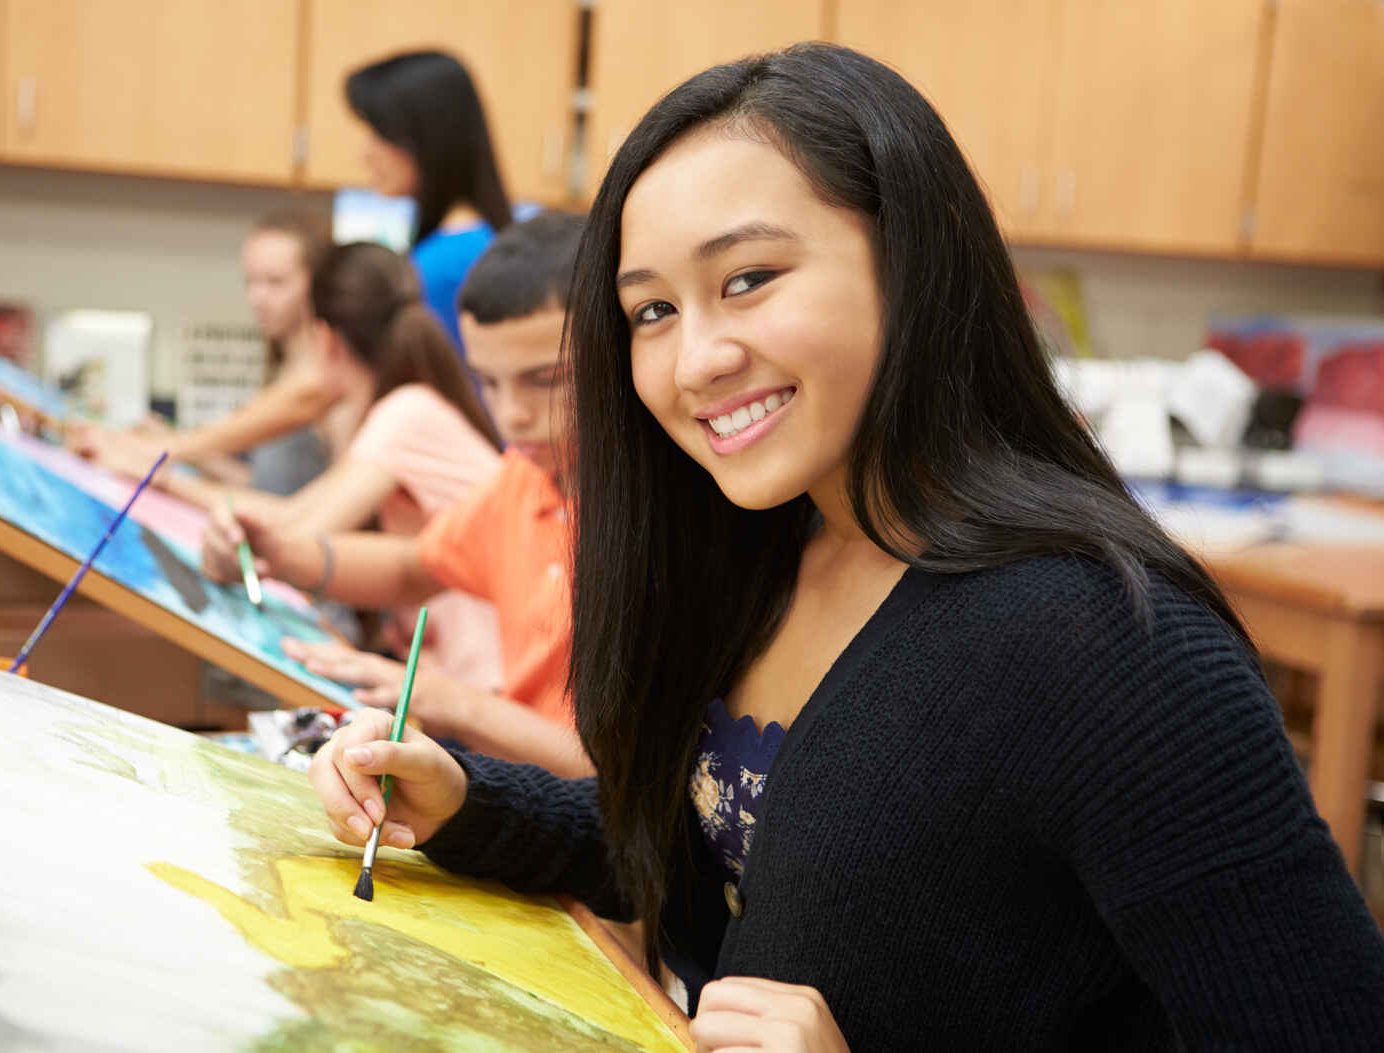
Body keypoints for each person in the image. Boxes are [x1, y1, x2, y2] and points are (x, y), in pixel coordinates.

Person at [307, 43, 1384, 1051]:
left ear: (909, 260)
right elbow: (728, 849)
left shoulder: (1107, 647)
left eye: (747, 280)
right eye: (649, 312)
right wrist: (466, 803)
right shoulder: (762, 555)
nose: (694, 361)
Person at [201, 213, 589, 778]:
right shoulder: (523, 478)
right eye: (490, 384)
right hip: (526, 792)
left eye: (547, 380)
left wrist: (445, 698)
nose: (513, 416)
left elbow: (617, 774)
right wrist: (280, 555)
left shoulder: (648, 517)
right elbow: (415, 566)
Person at [166, 240, 505, 690]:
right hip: (458, 677)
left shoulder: (408, 413)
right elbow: (292, 518)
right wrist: (169, 481)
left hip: (480, 683)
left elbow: (300, 531)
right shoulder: (407, 408)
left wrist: (168, 475)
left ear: (324, 337)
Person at [73, 209, 347, 493]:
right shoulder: (285, 366)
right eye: (250, 281)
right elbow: (267, 488)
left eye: (275, 282)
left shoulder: (322, 378)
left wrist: (153, 448)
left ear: (317, 285)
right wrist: (172, 445)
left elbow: (297, 511)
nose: (257, 298)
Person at [346, 50, 513, 351]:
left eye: (380, 133)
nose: (365, 154)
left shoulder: (442, 266)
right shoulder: (475, 245)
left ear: (428, 137)